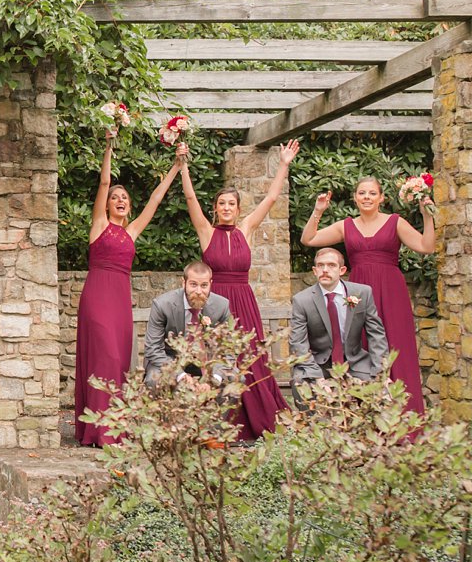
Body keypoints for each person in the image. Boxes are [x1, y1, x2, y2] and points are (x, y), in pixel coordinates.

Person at [174, 139, 296, 437]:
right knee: (214, 359)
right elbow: (190, 199)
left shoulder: (246, 230)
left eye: (232, 204)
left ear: (238, 209)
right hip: (214, 304)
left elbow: (270, 199)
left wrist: (283, 165)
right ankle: (218, 424)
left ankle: (256, 421)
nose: (226, 208)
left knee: (249, 359)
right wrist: (183, 166)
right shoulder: (206, 231)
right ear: (215, 209)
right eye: (221, 204)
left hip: (244, 302)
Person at [74, 130, 182, 447]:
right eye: (114, 198)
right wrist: (108, 145)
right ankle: (99, 430)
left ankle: (114, 426)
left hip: (121, 299)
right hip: (97, 296)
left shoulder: (131, 232)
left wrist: (176, 166)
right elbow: (104, 183)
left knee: (120, 361)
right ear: (106, 205)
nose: (119, 200)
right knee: (103, 356)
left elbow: (156, 200)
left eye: (124, 198)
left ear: (129, 206)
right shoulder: (99, 225)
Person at [301, 176, 435, 415]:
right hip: (358, 293)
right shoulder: (346, 225)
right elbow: (308, 239)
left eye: (372, 193)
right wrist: (318, 211)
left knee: (397, 345)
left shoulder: (396, 222)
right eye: (362, 193)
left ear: (381, 198)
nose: (366, 197)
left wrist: (426, 215)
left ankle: (406, 416)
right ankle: (365, 416)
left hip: (391, 291)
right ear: (355, 198)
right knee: (359, 344)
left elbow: (426, 246)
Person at [289, 247, 389, 398]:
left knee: (383, 393)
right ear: (314, 271)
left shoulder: (362, 293)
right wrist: (318, 379)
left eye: (331, 265)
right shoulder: (302, 300)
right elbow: (298, 344)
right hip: (318, 365)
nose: (325, 270)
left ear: (342, 270)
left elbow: (376, 335)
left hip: (355, 363)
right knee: (303, 387)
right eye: (320, 266)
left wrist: (381, 373)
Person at [143, 261, 233, 384]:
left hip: (207, 361)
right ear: (183, 283)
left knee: (235, 378)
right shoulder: (163, 305)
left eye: (204, 285)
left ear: (211, 284)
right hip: (170, 359)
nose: (199, 291)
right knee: (153, 380)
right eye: (193, 284)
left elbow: (229, 349)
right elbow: (153, 348)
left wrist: (214, 378)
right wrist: (179, 375)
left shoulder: (221, 306)